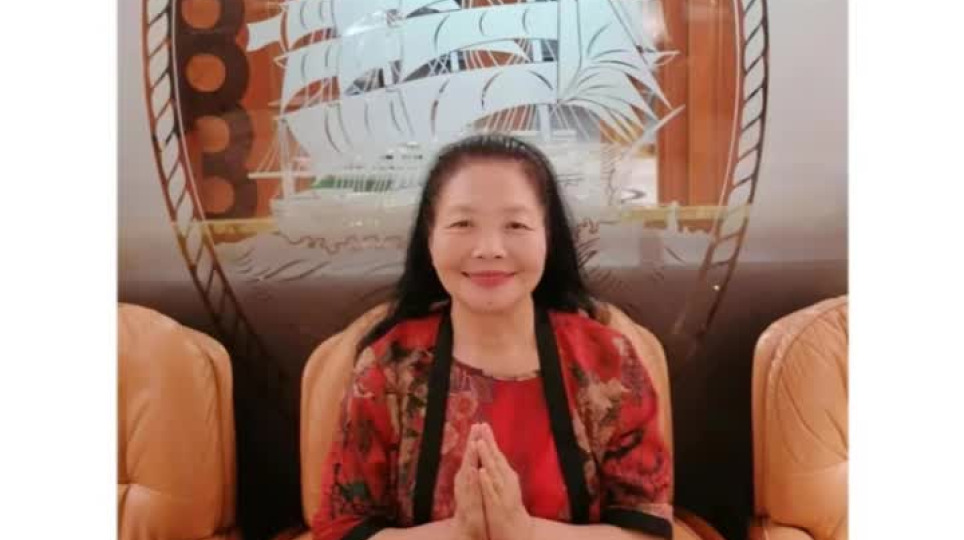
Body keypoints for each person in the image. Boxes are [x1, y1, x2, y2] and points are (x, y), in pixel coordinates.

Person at [313, 134, 673, 540]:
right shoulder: (389, 367)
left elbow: (646, 529)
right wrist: (456, 534)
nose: (489, 248)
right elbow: (342, 529)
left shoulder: (607, 361)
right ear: (430, 237)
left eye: (516, 225)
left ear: (547, 237)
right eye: (462, 224)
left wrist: (526, 532)